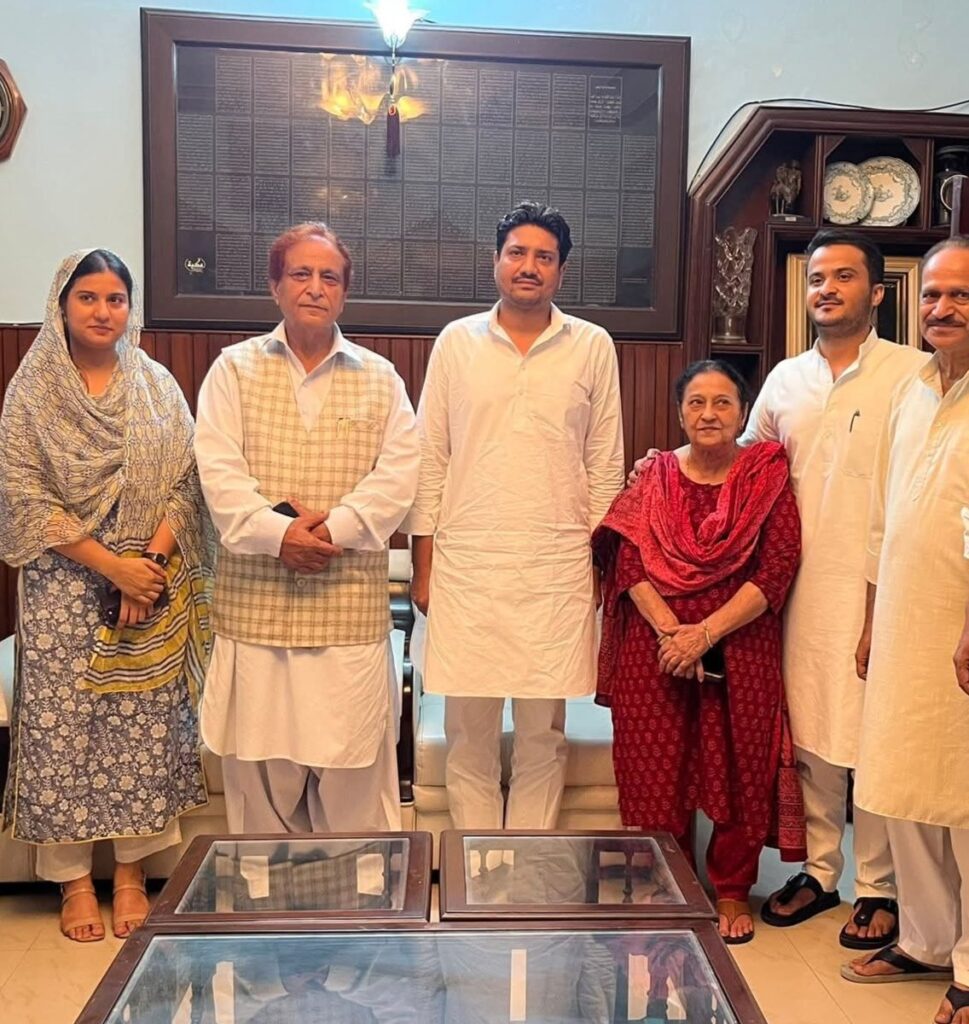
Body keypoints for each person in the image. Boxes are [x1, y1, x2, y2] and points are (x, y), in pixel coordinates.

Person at [632, 229, 926, 946]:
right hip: (789, 588)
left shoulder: (912, 374)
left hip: (881, 583)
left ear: (877, 292)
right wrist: (660, 463)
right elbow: (734, 461)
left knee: (871, 732)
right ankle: (821, 872)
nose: (827, 288)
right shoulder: (785, 382)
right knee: (808, 734)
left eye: (844, 277)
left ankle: (879, 887)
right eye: (817, 278)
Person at [0, 249, 213, 942]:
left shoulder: (155, 384)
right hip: (62, 583)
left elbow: (187, 483)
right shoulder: (33, 392)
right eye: (87, 297)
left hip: (148, 581)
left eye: (115, 299)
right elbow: (24, 498)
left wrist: (146, 566)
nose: (101, 311)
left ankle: (129, 875)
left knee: (143, 726)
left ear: (130, 307)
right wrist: (111, 568)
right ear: (61, 305)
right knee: (61, 729)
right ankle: (70, 881)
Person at [405, 201, 624, 830]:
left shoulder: (591, 346)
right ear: (496, 261)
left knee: (542, 735)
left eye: (544, 257)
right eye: (517, 253)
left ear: (562, 270)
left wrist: (599, 566)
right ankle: (475, 863)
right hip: (468, 563)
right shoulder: (457, 342)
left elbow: (605, 464)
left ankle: (527, 865)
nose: (529, 266)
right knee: (468, 734)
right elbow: (430, 458)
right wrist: (423, 566)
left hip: (556, 565)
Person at [194, 221, 418, 835]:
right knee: (259, 785)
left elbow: (398, 478)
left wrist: (332, 532)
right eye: (300, 273)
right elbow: (218, 473)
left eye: (330, 277)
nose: (315, 287)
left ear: (344, 292)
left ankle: (359, 894)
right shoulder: (233, 370)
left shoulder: (380, 378)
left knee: (354, 782)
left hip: (345, 615)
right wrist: (279, 537)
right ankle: (265, 896)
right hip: (256, 611)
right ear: (275, 285)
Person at [595, 360, 802, 943]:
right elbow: (627, 561)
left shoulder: (765, 478)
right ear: (680, 412)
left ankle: (732, 888)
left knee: (740, 764)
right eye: (696, 403)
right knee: (652, 768)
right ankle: (668, 883)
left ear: (743, 412)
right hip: (654, 646)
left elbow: (777, 568)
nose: (709, 414)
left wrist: (705, 633)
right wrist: (673, 633)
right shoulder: (653, 476)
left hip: (740, 643)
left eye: (722, 403)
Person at [843, 237, 969, 1024]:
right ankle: (923, 939)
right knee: (903, 785)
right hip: (900, 619)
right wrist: (868, 620)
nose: (942, 308)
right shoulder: (912, 390)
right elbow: (880, 519)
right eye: (931, 294)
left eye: (960, 295)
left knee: (963, 792)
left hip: (959, 623)